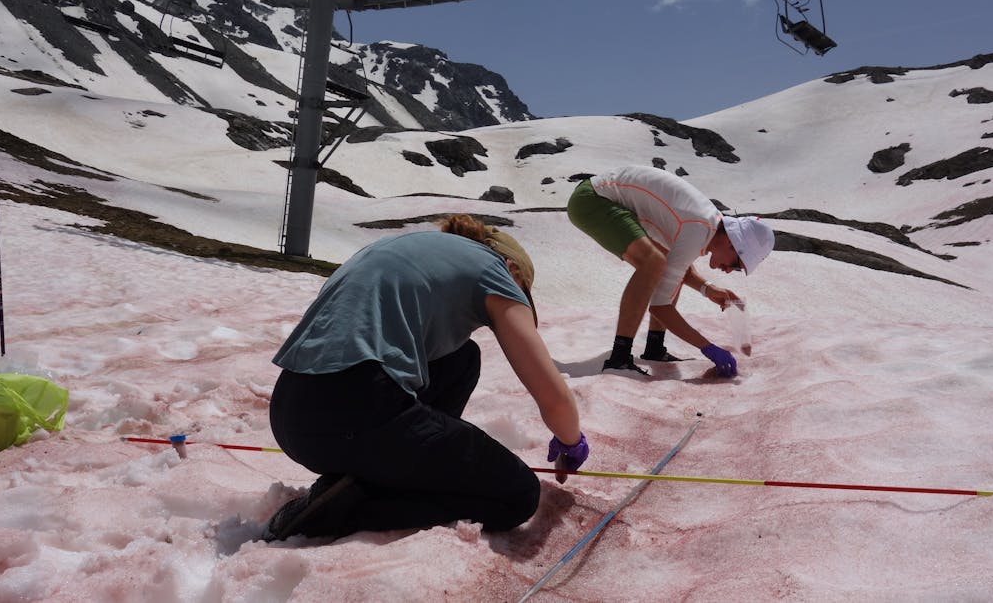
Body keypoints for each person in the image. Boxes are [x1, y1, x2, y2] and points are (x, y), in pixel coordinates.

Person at [263, 214, 589, 542]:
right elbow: (554, 398)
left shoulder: (412, 250)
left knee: (463, 359)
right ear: (511, 268)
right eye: (521, 292)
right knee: (517, 494)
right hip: (357, 410)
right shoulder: (494, 270)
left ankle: (388, 476)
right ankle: (343, 511)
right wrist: (571, 441)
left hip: (291, 413)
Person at [567, 165, 776, 377]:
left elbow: (678, 269)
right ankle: (619, 359)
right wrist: (708, 348)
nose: (731, 271)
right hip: (593, 200)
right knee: (653, 262)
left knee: (664, 263)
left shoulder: (706, 224)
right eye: (737, 265)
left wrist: (708, 289)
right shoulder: (698, 228)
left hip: (602, 198)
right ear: (733, 244)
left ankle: (654, 349)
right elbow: (660, 307)